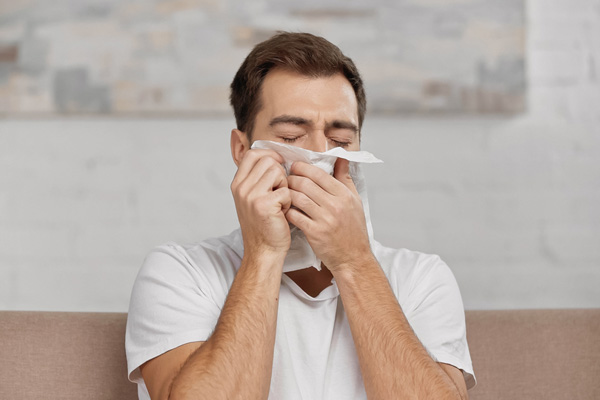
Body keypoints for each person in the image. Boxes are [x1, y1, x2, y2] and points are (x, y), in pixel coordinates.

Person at [126, 32, 476, 400]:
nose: (320, 157)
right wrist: (263, 253)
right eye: (292, 136)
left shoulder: (421, 279)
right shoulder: (181, 273)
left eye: (340, 140)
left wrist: (354, 262)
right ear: (242, 150)